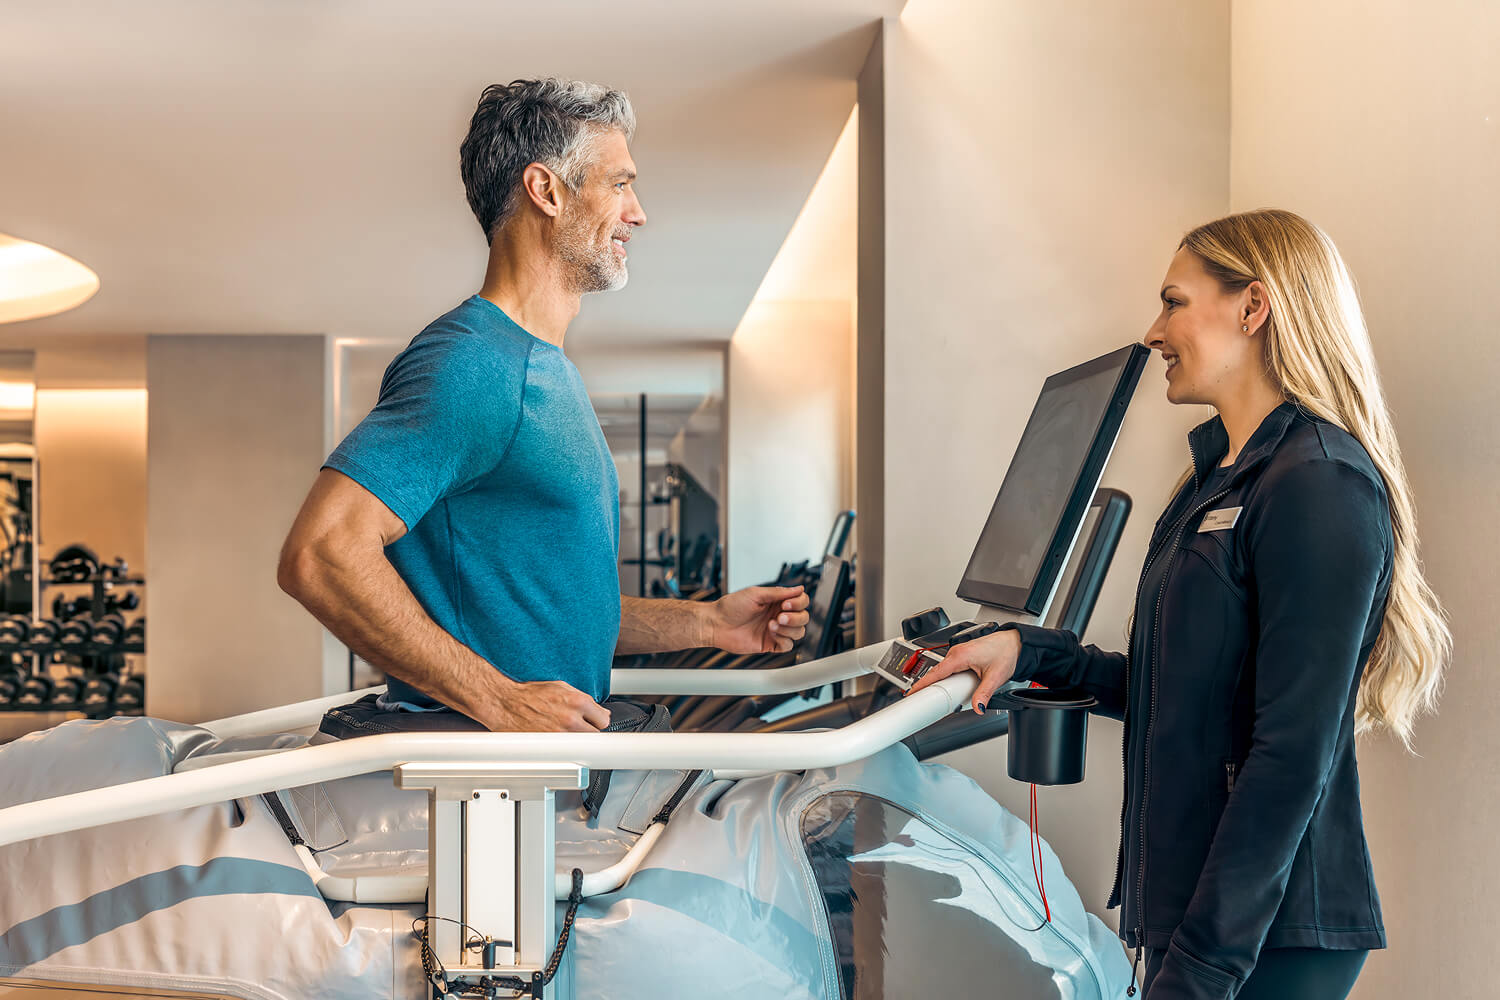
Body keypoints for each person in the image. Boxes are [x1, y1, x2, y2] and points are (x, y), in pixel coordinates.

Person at [909, 209, 1450, 1000]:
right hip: (1194, 912)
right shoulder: (1214, 480)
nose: (1154, 330)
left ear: (1252, 307)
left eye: (1173, 301)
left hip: (1269, 932)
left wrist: (1199, 971)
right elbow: (1180, 689)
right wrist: (1028, 653)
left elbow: (1292, 755)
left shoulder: (1319, 481)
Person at [278, 79, 809, 734]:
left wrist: (706, 623)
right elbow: (323, 552)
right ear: (547, 191)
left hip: (547, 777)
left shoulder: (545, 371)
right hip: (487, 792)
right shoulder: (473, 366)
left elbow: (549, 614)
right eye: (619, 184)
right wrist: (496, 697)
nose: (638, 213)